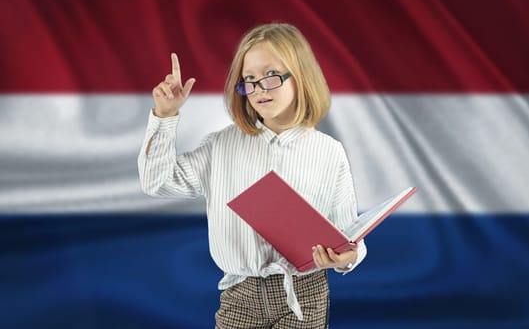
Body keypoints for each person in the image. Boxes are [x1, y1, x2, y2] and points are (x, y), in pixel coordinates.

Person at [138, 23, 367, 328]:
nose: (259, 89)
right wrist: (165, 116)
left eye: (271, 77)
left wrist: (347, 256)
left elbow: (346, 230)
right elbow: (157, 182)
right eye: (249, 80)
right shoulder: (220, 146)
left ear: (301, 77)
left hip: (305, 295)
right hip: (239, 294)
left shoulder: (329, 151)